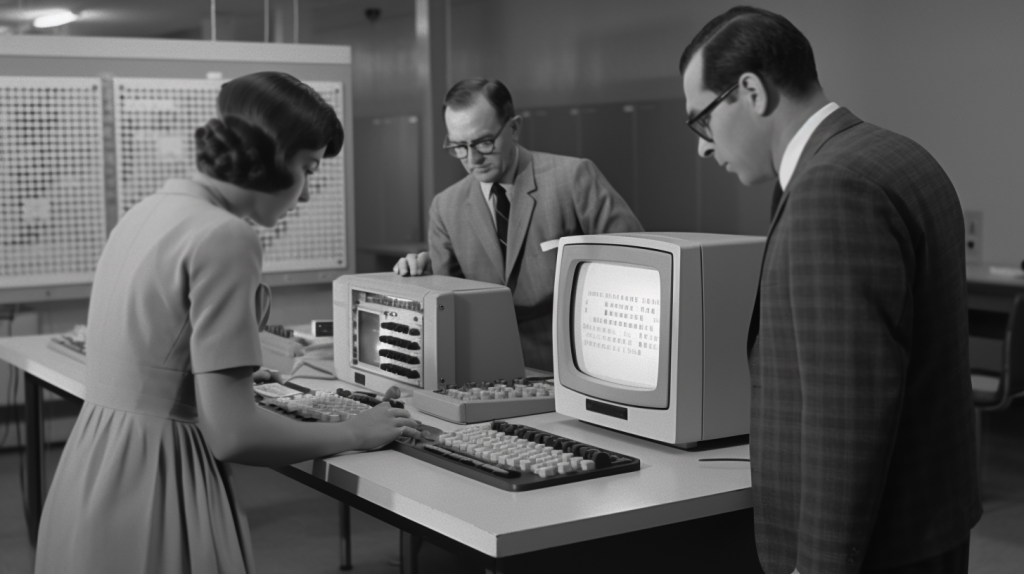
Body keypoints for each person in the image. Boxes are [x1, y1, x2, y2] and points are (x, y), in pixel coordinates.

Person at [34, 72, 420, 573]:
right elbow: (233, 435)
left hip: (93, 468)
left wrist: (209, 378)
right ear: (271, 158)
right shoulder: (226, 236)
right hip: (158, 475)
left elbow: (148, 353)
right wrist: (356, 431)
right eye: (307, 168)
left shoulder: (149, 209)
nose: (304, 196)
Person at [679, 7, 980, 574]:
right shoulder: (896, 153)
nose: (702, 146)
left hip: (875, 546)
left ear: (750, 91)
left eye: (702, 121)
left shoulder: (831, 188)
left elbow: (845, 411)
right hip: (928, 518)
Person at [394, 78, 643, 371]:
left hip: (579, 363)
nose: (473, 158)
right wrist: (424, 276)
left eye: (484, 142)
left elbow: (636, 267)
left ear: (513, 128)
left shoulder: (573, 178)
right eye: (459, 147)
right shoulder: (446, 206)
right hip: (488, 370)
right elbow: (447, 307)